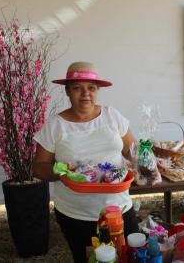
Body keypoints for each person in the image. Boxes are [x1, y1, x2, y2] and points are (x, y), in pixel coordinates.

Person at [32, 62, 139, 262]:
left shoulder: (111, 115)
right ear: (67, 91)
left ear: (98, 91)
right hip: (76, 212)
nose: (85, 94)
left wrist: (145, 163)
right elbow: (39, 167)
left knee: (128, 257)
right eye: (77, 88)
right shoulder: (56, 125)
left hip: (119, 206)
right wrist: (64, 174)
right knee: (87, 258)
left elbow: (131, 150)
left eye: (91, 88)